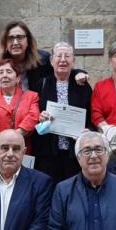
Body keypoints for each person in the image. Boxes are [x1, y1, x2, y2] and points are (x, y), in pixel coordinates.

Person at [34, 42, 93, 183]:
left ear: (73, 61)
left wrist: (87, 131)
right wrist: (40, 117)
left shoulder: (82, 86)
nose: (62, 60)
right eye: (58, 56)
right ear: (51, 60)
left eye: (67, 56)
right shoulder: (41, 84)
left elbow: (91, 116)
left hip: (75, 152)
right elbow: (33, 113)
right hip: (48, 152)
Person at [0, 59, 40, 154]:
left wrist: (14, 137)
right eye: (1, 72)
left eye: (9, 72)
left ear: (18, 78)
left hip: (21, 150)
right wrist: (0, 142)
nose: (4, 75)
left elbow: (33, 117)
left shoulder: (31, 96)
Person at [0, 21, 53, 90]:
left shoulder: (43, 60)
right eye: (10, 38)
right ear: (5, 43)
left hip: (33, 106)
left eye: (20, 37)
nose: (15, 42)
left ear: (28, 40)